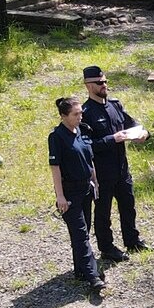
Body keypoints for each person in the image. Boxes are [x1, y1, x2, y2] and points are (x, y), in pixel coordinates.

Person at [80, 65, 150, 262]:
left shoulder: (115, 105)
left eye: (105, 81)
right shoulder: (85, 113)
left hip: (122, 168)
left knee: (128, 206)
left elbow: (132, 124)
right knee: (103, 212)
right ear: (88, 85)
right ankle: (107, 248)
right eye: (99, 83)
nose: (104, 85)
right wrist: (113, 139)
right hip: (101, 172)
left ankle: (132, 240)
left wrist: (144, 133)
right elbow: (86, 146)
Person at [48, 96, 105, 293]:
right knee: (80, 234)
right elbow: (55, 168)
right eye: (75, 114)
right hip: (70, 192)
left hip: (86, 188)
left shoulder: (82, 131)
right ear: (63, 116)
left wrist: (95, 181)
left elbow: (89, 160)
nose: (80, 117)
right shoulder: (57, 137)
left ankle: (80, 270)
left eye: (81, 113)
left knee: (84, 230)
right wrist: (60, 196)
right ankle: (93, 276)